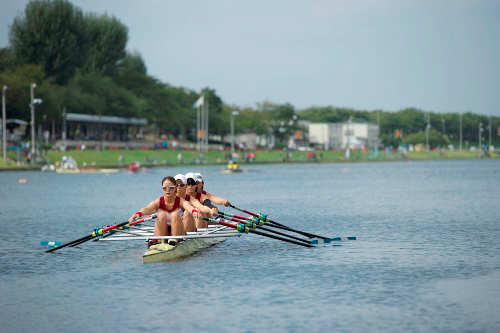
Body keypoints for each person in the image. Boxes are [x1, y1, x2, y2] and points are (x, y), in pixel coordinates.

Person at [128, 176, 200, 245]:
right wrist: (139, 213)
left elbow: (188, 207)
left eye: (170, 188)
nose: (168, 190)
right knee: (161, 215)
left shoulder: (181, 201)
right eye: (165, 188)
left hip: (177, 233)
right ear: (162, 189)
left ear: (175, 188)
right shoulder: (158, 201)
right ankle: (160, 243)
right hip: (163, 232)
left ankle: (174, 242)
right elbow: (147, 208)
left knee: (174, 214)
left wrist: (194, 211)